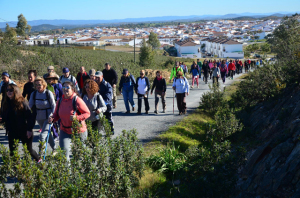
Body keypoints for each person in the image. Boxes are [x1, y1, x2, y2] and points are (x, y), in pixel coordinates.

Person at [48, 81, 90, 161]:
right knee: (64, 153)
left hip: (78, 130)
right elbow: (56, 114)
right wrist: (52, 118)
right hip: (65, 130)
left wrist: (76, 118)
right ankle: (68, 172)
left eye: (67, 87)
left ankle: (82, 171)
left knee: (81, 155)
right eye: (63, 88)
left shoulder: (77, 100)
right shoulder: (60, 101)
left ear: (73, 89)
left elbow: (87, 113)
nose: (65, 89)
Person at [1, 84, 40, 162]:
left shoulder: (22, 102)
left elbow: (30, 117)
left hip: (24, 130)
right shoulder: (5, 102)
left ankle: (39, 162)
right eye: (7, 90)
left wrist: (29, 130)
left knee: (29, 150)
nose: (8, 92)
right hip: (12, 131)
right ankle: (16, 171)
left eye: (11, 90)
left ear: (15, 91)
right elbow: (4, 116)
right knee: (12, 152)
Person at [29, 77, 57, 154]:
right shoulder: (34, 94)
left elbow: (53, 106)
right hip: (39, 117)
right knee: (47, 132)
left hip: (48, 117)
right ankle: (55, 149)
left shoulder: (48, 93)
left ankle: (40, 154)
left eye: (40, 84)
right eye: (36, 85)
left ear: (44, 85)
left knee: (42, 135)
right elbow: (30, 105)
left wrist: (51, 116)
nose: (38, 86)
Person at [45, 72, 63, 140]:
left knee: (60, 121)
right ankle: (55, 135)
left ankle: (61, 134)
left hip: (58, 105)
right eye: (48, 79)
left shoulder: (58, 85)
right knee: (52, 120)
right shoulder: (46, 87)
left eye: (51, 78)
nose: (49, 80)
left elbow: (62, 95)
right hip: (50, 105)